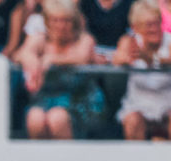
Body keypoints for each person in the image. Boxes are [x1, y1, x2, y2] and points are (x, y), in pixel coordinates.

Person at [15, 0, 104, 139]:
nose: (61, 25)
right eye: (55, 20)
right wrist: (31, 61)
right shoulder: (40, 39)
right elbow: (21, 54)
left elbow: (82, 57)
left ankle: (67, 159)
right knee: (35, 118)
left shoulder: (84, 39)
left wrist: (51, 59)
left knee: (57, 118)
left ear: (74, 21)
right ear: (47, 22)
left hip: (78, 100)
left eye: (66, 20)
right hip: (45, 99)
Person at [114, 0, 171, 140]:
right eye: (149, 25)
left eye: (157, 23)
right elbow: (118, 59)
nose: (154, 28)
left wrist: (150, 59)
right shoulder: (129, 41)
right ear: (135, 27)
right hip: (140, 104)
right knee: (132, 121)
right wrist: (126, 59)